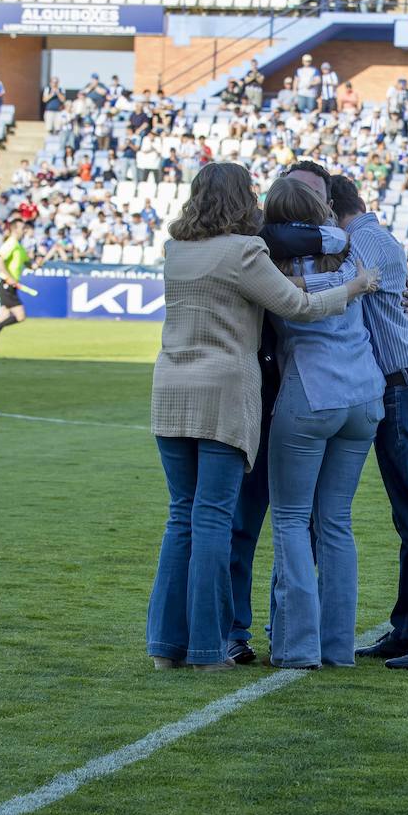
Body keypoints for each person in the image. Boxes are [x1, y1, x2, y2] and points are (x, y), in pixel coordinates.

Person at [147, 162, 376, 671]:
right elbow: (297, 304)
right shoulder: (244, 251)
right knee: (212, 519)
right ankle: (208, 649)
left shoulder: (175, 250)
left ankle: (166, 646)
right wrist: (353, 288)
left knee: (180, 517)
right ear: (239, 199)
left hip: (169, 388)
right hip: (224, 393)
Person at [303, 175, 408, 672]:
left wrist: (285, 284)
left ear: (332, 207)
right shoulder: (373, 236)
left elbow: (343, 284)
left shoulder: (366, 242)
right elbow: (398, 292)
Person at [226, 160, 349, 664]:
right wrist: (329, 238)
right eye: (301, 197)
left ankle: (292, 631)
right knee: (245, 523)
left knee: (307, 526)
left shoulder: (334, 247)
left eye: (318, 201)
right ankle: (235, 629)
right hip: (261, 401)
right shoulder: (266, 240)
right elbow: (282, 236)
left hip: (309, 402)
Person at [262, 178, 385, 669]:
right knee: (336, 522)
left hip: (311, 393)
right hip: (363, 393)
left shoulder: (268, 260)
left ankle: (297, 646)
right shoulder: (349, 252)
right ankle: (337, 647)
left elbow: (282, 290)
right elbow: (359, 279)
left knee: (291, 519)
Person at [0, 219, 34, 356]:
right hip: (6, 285)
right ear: (15, 229)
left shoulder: (19, 246)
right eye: (22, 228)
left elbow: (28, 264)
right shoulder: (10, 243)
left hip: (11, 286)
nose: (25, 230)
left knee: (3, 317)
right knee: (20, 316)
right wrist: (8, 277)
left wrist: (35, 264)